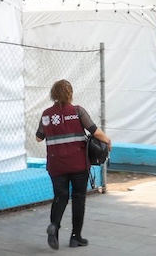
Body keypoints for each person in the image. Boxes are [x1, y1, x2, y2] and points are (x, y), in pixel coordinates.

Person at [35, 79, 111, 249]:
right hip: (78, 165)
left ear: (53, 94)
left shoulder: (46, 114)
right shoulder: (77, 111)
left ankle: (54, 227)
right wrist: (108, 140)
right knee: (78, 198)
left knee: (60, 197)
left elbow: (39, 137)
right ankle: (75, 237)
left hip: (56, 165)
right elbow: (94, 131)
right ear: (70, 94)